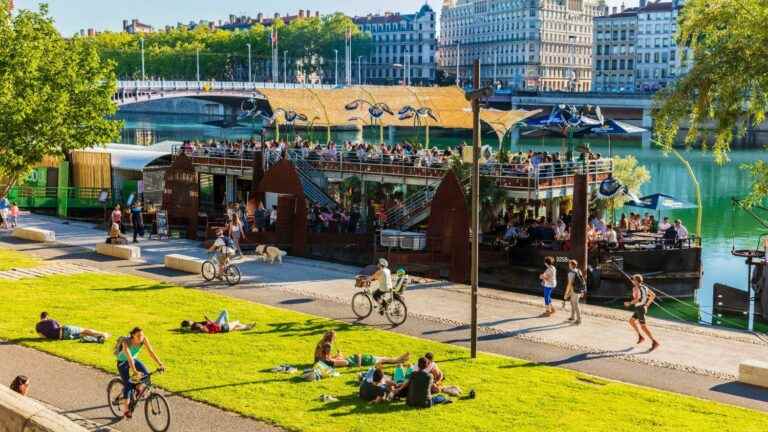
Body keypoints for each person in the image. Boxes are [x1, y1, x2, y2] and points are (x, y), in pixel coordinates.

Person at [115, 327, 165, 418]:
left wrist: (160, 363)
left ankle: (138, 389)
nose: (141, 337)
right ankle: (126, 409)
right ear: (133, 335)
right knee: (129, 384)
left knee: (146, 375)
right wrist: (134, 371)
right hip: (122, 362)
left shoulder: (143, 339)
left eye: (142, 335)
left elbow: (151, 352)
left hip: (133, 359)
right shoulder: (126, 342)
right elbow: (129, 357)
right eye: (138, 335)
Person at [624, 274, 660, 351]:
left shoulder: (635, 288)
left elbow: (637, 299)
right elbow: (653, 295)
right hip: (640, 308)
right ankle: (641, 336)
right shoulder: (645, 287)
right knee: (631, 321)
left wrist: (629, 303)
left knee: (643, 326)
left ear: (636, 281)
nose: (631, 280)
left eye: (632, 279)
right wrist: (647, 305)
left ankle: (655, 342)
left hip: (640, 308)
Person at [315, 339, 409, 368]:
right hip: (366, 359)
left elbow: (336, 359)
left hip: (364, 358)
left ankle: (402, 359)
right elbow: (344, 362)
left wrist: (338, 355)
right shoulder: (345, 362)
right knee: (385, 359)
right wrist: (359, 360)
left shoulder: (329, 359)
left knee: (385, 359)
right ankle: (401, 359)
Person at [35, 312, 109, 343]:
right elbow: (60, 326)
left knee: (82, 335)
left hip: (63, 337)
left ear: (40, 317)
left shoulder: (37, 326)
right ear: (47, 316)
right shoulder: (51, 320)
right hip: (65, 330)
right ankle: (103, 334)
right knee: (84, 330)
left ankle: (97, 339)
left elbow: (42, 336)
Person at [180, 310, 254, 333]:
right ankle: (248, 326)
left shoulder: (205, 329)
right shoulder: (207, 328)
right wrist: (207, 318)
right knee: (237, 322)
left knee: (237, 327)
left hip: (223, 329)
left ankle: (248, 326)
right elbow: (212, 324)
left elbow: (192, 330)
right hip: (224, 327)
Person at [564, 260, 586, 324]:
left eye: (569, 264)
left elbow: (569, 284)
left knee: (575, 304)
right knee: (572, 302)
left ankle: (579, 319)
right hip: (579, 290)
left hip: (574, 290)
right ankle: (572, 316)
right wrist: (582, 291)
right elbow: (582, 281)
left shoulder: (571, 273)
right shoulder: (578, 270)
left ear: (572, 265)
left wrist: (566, 293)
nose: (569, 265)